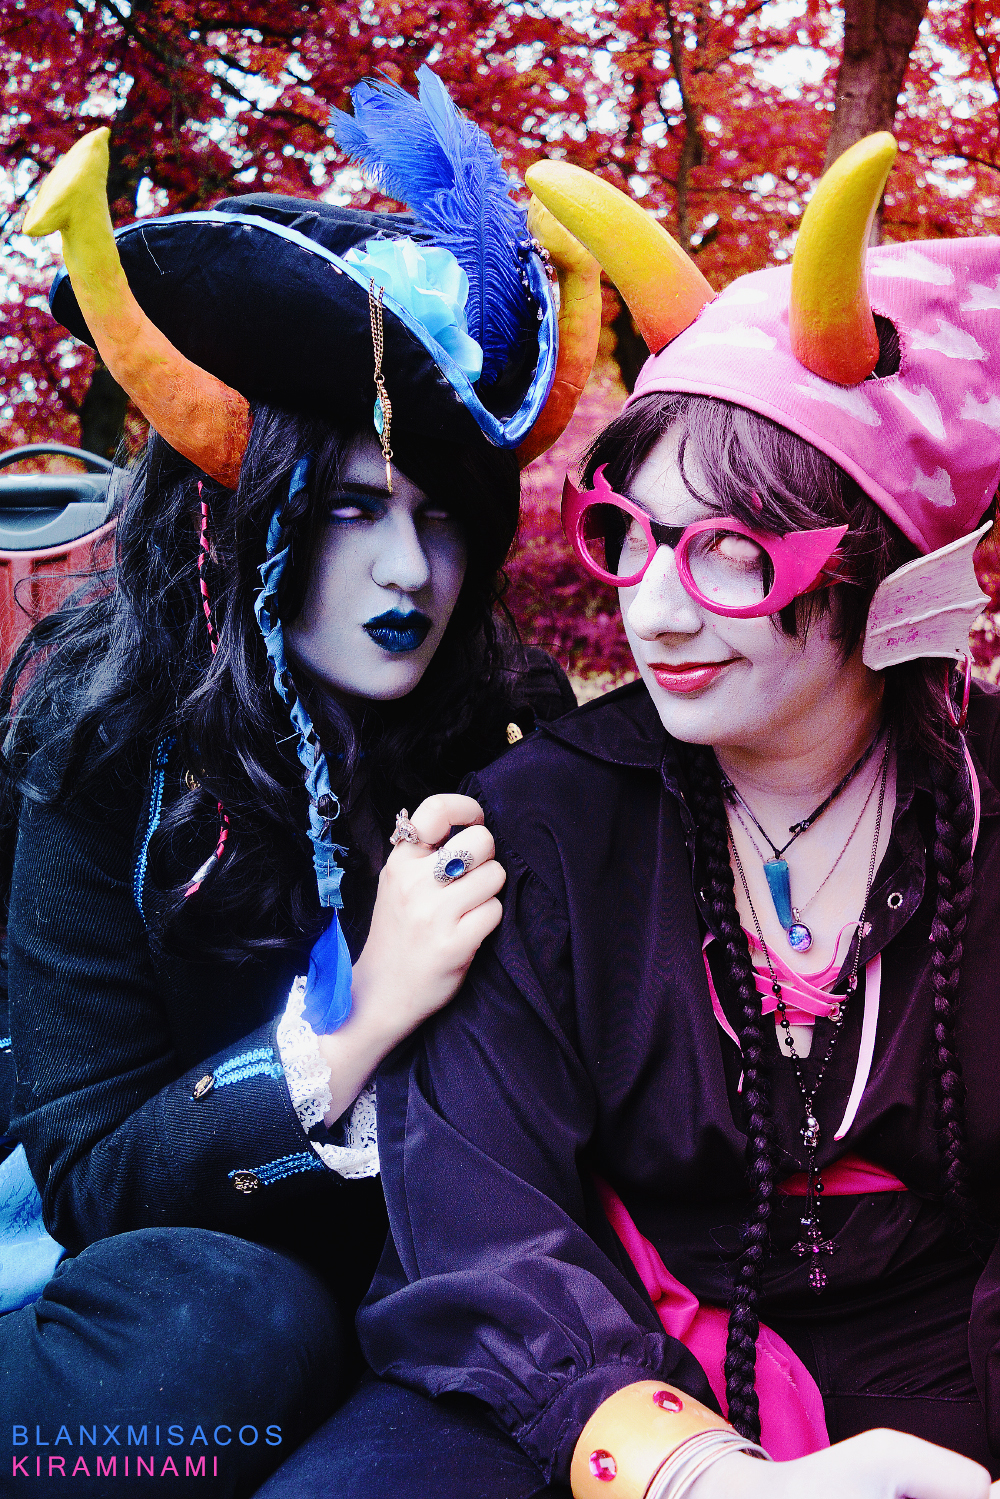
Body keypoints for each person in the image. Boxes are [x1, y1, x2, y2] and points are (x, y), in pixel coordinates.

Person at [260, 136, 1000, 1498]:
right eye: (633, 536)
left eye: (733, 553)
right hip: (586, 1368)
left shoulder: (982, 805)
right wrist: (693, 1474)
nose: (652, 609)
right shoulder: (537, 824)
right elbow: (479, 1225)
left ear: (883, 570)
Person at [0, 67, 597, 1496]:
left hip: (438, 1301)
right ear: (241, 516)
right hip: (166, 1301)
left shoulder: (508, 724)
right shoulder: (103, 749)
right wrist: (351, 1021)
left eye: (441, 519)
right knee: (222, 1332)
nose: (409, 573)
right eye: (348, 509)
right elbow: (88, 1180)